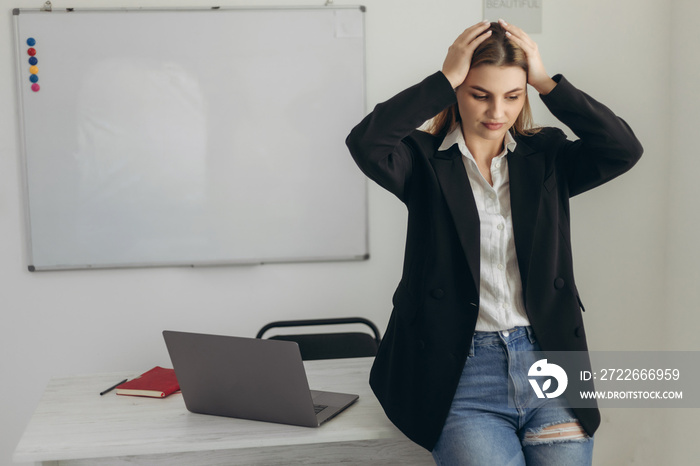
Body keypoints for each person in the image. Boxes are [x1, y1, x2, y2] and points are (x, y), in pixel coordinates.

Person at [346, 19, 642, 465]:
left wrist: (546, 81)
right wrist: (443, 77)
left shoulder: (547, 157)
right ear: (457, 93)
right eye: (479, 94)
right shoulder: (422, 161)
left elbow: (623, 148)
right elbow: (366, 142)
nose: (496, 112)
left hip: (548, 365)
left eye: (512, 96)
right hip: (460, 375)